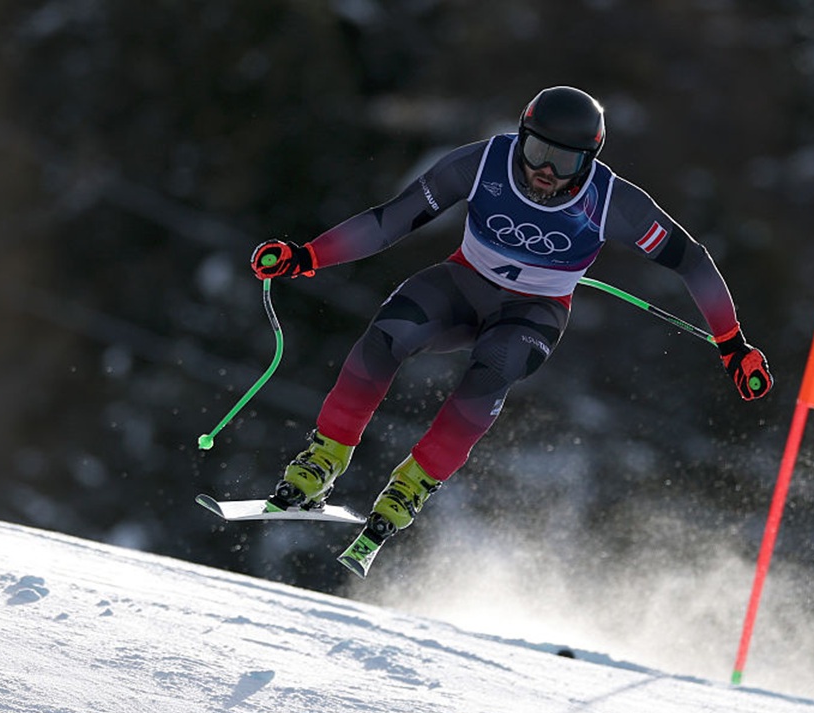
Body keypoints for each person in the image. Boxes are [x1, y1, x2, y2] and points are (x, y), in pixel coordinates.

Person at [250, 85, 772, 561]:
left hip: (533, 312)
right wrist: (307, 256)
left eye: (563, 160)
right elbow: (392, 219)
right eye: (537, 150)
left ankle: (412, 486)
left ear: (588, 161)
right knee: (388, 333)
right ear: (522, 136)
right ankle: (323, 461)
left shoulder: (614, 202)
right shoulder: (483, 163)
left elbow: (692, 261)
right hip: (462, 285)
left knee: (491, 371)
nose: (544, 170)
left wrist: (732, 344)